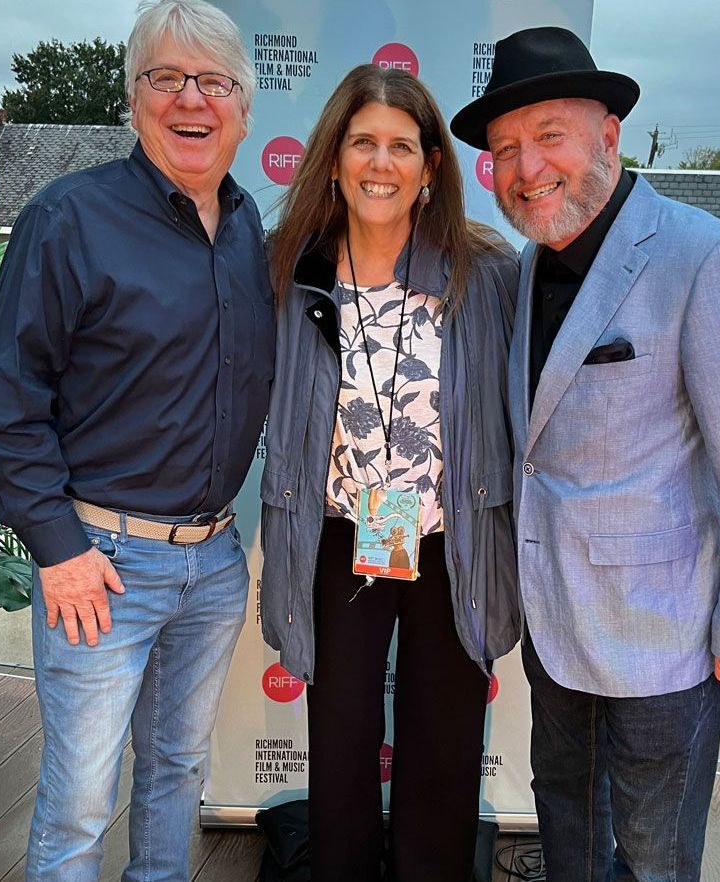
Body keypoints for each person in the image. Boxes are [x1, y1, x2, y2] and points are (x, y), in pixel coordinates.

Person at [451, 27, 720, 882]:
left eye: (549, 136)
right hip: (552, 628)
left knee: (653, 859)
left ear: (607, 137)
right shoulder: (515, 274)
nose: (525, 166)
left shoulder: (705, 259)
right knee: (568, 835)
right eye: (505, 149)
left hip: (665, 638)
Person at [0, 1, 273, 879]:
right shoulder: (68, 219)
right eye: (166, 78)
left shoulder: (252, 226)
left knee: (178, 770)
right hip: (98, 565)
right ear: (134, 99)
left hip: (215, 560)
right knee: (77, 803)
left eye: (213, 81)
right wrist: (59, 550)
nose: (192, 98)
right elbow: (9, 401)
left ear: (243, 109)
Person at [260, 64, 520, 882]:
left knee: (443, 741)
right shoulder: (288, 273)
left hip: (453, 543)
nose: (381, 163)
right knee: (338, 738)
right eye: (362, 142)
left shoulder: (487, 274)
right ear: (334, 158)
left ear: (431, 165)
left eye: (401, 146)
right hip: (337, 538)